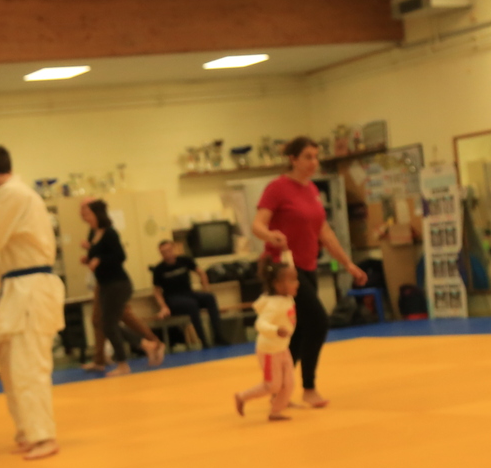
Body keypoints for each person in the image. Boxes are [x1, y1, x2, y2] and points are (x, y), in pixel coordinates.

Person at [251, 136, 367, 409]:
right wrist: (270, 235)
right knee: (318, 322)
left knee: (301, 329)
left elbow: (324, 231)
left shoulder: (312, 189)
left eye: (316, 157)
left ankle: (279, 389)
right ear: (293, 159)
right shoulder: (277, 188)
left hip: (308, 266)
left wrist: (348, 264)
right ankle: (309, 387)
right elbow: (257, 225)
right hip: (283, 268)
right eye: (308, 157)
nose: (314, 162)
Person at [0, 145, 66, 460]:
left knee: (29, 367)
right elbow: (14, 247)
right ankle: (28, 431)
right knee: (14, 369)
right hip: (18, 286)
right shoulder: (17, 195)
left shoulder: (11, 194)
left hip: (30, 289)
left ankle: (44, 436)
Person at [84, 199, 164, 377]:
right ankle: (147, 345)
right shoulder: (93, 233)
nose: (85, 216)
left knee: (109, 325)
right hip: (105, 284)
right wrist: (89, 259)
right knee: (107, 325)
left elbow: (119, 256)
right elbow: (96, 255)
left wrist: (100, 260)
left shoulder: (110, 233)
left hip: (118, 284)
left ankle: (123, 363)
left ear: (97, 214)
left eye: (88, 213)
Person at [234, 254, 298, 422]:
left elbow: (290, 266)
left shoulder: (286, 297)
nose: (297, 283)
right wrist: (276, 330)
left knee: (289, 383)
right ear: (278, 285)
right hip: (269, 351)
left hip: (282, 348)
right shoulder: (273, 305)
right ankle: (242, 396)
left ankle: (275, 412)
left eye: (296, 279)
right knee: (273, 385)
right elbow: (260, 324)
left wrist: (286, 250)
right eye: (292, 281)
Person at [150, 239, 227, 350]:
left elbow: (201, 272)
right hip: (173, 299)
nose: (167, 254)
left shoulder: (184, 260)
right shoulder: (159, 269)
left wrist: (205, 288)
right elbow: (157, 291)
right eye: (163, 252)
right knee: (191, 304)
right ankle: (204, 341)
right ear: (161, 254)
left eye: (169, 250)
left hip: (188, 293)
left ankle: (218, 336)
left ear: (173, 249)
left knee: (209, 298)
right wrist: (163, 307)